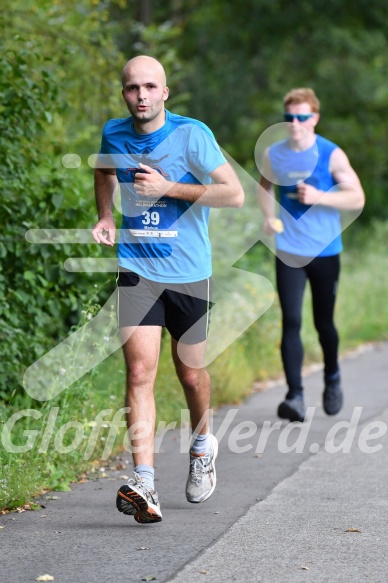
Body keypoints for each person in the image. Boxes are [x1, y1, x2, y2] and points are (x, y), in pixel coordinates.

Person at [92, 55, 244, 523]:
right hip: (137, 269)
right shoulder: (114, 133)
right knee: (139, 373)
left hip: (189, 273)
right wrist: (104, 215)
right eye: (133, 87)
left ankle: (202, 443)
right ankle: (145, 483)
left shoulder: (192, 134)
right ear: (124, 94)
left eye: (150, 86)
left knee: (191, 374)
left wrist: (168, 188)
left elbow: (233, 194)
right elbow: (102, 171)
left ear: (165, 92)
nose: (141, 95)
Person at [258, 88, 364, 423]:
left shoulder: (331, 154)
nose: (295, 124)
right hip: (289, 250)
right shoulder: (275, 154)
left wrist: (320, 196)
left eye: (302, 117)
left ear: (315, 117)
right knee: (291, 320)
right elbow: (264, 187)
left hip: (325, 252)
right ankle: (295, 396)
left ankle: (332, 376)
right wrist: (269, 217)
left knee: (323, 323)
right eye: (289, 118)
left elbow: (356, 198)